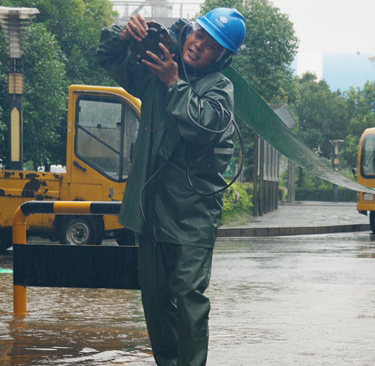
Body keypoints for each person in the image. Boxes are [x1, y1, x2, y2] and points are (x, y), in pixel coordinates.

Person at [97, 8, 246, 366]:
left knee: (188, 298)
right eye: (198, 35)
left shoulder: (220, 89)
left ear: (222, 57)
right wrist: (124, 34)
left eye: (211, 46)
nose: (198, 46)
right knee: (154, 298)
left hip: (192, 216)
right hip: (150, 210)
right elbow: (107, 56)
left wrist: (173, 82)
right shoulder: (155, 69)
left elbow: (203, 125)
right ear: (189, 32)